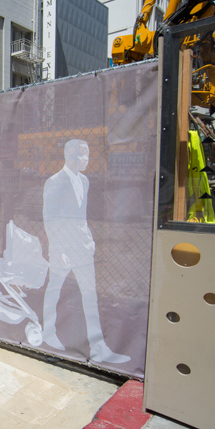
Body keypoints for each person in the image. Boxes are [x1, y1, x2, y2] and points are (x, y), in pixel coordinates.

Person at [42, 140, 130, 364]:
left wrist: (89, 239)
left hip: (81, 247)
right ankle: (48, 332)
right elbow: (50, 219)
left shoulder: (85, 181)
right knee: (55, 290)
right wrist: (58, 248)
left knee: (90, 295)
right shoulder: (54, 182)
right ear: (70, 156)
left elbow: (81, 216)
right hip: (62, 248)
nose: (87, 160)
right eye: (83, 156)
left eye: (88, 155)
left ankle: (98, 347)